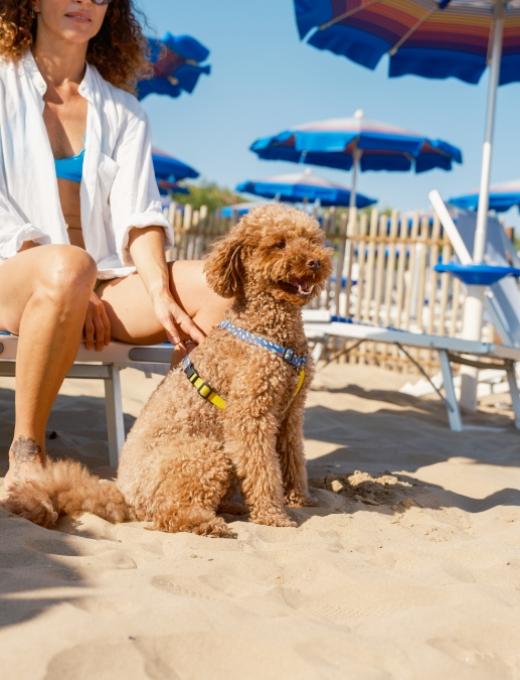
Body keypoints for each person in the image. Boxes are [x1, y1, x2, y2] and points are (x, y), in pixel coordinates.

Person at [0, 0, 231, 488]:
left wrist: (157, 291)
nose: (84, 1)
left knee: (222, 287)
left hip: (100, 280)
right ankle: (26, 452)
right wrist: (71, 279)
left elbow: (140, 217)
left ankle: (172, 445)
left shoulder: (124, 111)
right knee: (68, 266)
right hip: (12, 272)